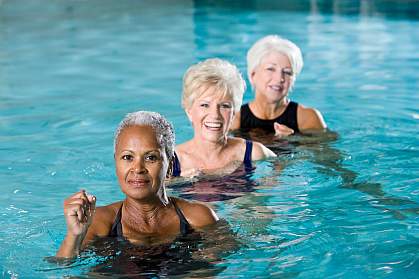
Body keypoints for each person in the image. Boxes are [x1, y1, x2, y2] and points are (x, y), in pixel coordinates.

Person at [56, 111, 218, 258]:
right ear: (116, 163)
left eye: (151, 158)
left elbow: (220, 265)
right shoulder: (100, 222)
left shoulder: (198, 218)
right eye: (127, 157)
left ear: (170, 166)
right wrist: (74, 236)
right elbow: (62, 270)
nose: (138, 169)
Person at [172, 58, 276, 177]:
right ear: (189, 111)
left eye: (224, 106)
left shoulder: (252, 153)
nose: (215, 115)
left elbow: (281, 170)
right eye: (205, 105)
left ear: (234, 113)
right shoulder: (170, 162)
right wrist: (178, 181)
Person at [231, 35, 327, 137]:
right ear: (253, 75)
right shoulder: (234, 118)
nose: (279, 78)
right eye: (271, 69)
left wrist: (294, 141)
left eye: (287, 72)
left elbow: (326, 151)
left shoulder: (307, 118)